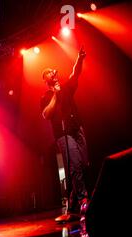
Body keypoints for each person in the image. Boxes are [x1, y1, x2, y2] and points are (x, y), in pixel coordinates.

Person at [41, 47, 89, 214]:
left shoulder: (67, 88)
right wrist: (55, 94)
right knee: (75, 164)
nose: (51, 73)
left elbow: (75, 74)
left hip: (77, 128)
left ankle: (74, 202)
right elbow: (46, 114)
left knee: (83, 164)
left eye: (52, 71)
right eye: (48, 73)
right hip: (63, 134)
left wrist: (79, 59)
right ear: (45, 80)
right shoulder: (46, 97)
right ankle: (84, 199)